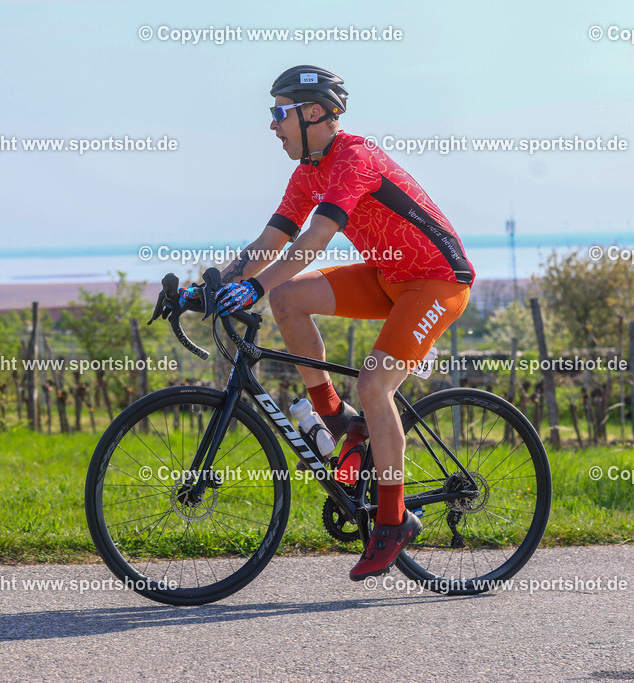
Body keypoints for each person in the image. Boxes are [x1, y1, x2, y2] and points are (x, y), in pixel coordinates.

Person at [179, 65, 474, 580]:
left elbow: (313, 241)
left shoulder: (354, 158)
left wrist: (255, 285)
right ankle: (336, 417)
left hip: (436, 279)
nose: (273, 126)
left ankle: (392, 518)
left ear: (312, 112)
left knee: (376, 385)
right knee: (288, 298)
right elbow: (268, 246)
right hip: (388, 275)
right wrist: (207, 290)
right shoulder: (307, 172)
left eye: (279, 113)